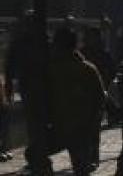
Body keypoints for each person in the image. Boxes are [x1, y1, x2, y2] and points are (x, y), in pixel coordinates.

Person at [49, 27, 106, 176]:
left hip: (60, 125)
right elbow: (100, 97)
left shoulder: (51, 69)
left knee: (36, 155)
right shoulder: (87, 68)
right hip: (80, 126)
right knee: (81, 166)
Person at [6, 12, 53, 175]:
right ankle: (37, 153)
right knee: (34, 122)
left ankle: (39, 152)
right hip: (30, 86)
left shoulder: (42, 40)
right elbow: (10, 63)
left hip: (43, 86)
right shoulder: (22, 42)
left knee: (39, 122)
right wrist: (9, 85)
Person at [80, 27, 115, 167]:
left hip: (97, 94)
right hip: (82, 95)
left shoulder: (103, 53)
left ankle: (93, 158)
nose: (90, 40)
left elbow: (112, 70)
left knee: (94, 127)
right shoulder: (81, 53)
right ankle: (85, 156)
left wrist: (105, 83)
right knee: (84, 127)